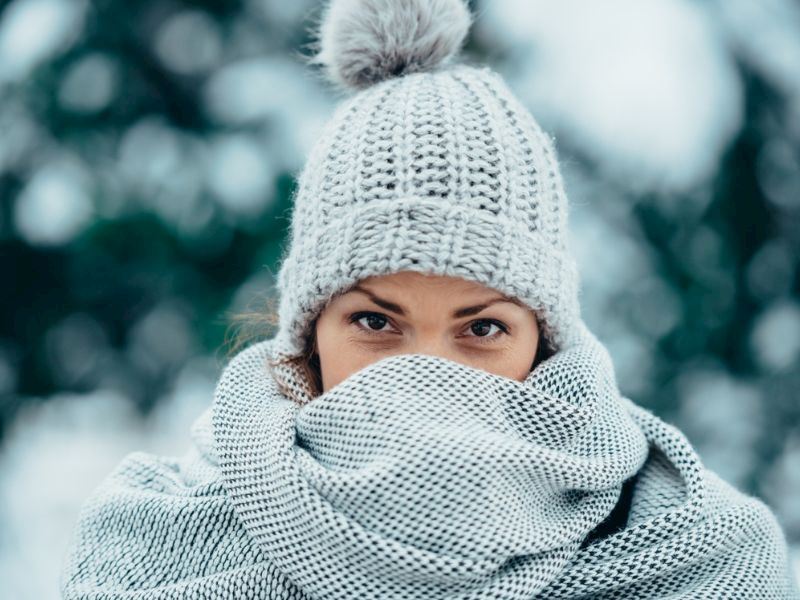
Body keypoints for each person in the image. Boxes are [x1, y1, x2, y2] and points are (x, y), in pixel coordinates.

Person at [60, 0, 799, 598]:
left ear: (545, 340)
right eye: (376, 321)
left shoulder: (704, 558)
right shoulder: (151, 548)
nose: (425, 371)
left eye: (480, 328)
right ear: (308, 333)